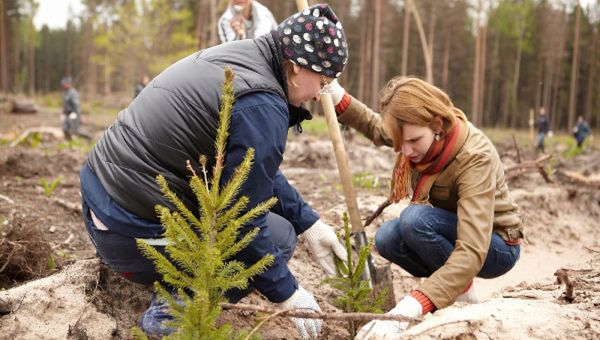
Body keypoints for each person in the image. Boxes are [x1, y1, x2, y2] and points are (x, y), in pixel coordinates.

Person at [79, 4, 348, 339]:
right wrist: (287, 291)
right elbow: (245, 220)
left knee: (283, 228)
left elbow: (249, 168)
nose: (318, 94)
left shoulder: (241, 58)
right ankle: (173, 315)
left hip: (101, 209)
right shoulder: (263, 104)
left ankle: (162, 277)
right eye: (321, 82)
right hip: (131, 235)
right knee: (277, 238)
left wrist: (309, 222)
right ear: (295, 68)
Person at [328, 77, 523, 339]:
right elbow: (377, 127)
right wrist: (336, 94)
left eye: (413, 141)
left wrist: (411, 307)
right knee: (387, 238)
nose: (405, 152)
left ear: (437, 125)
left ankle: (462, 296)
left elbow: (472, 249)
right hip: (454, 231)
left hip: (495, 245)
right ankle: (449, 286)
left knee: (415, 220)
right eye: (401, 143)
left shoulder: (474, 157)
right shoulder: (415, 131)